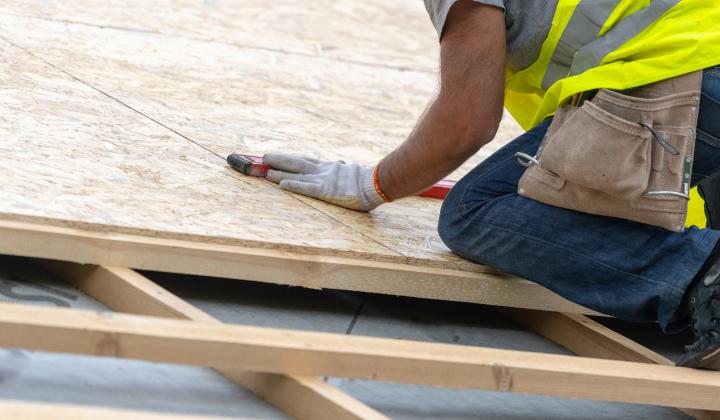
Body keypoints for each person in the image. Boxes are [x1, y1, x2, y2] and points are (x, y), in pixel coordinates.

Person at [260, 1, 720, 368]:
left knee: (476, 210)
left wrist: (371, 184)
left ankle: (709, 281)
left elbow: (467, 123)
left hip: (690, 67)